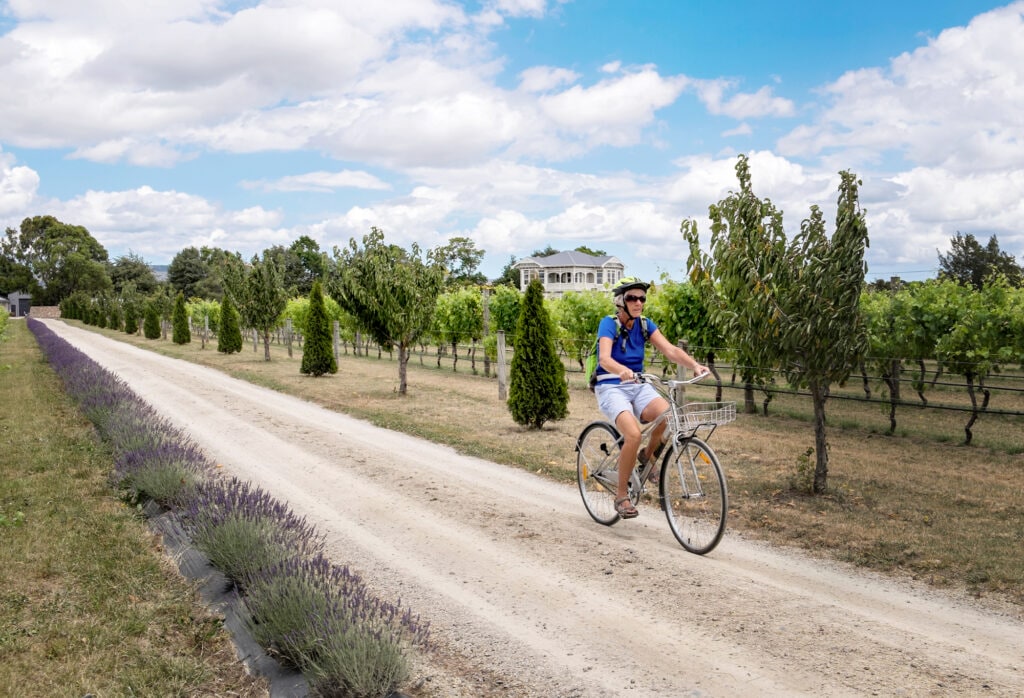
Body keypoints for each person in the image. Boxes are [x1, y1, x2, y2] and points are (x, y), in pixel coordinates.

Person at [593, 277, 708, 519]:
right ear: (620, 301)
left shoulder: (645, 325)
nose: (638, 302)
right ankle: (622, 496)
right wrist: (619, 370)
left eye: (642, 298)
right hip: (611, 386)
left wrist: (695, 365)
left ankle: (647, 456)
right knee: (633, 434)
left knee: (667, 415)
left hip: (637, 384)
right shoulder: (608, 324)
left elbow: (671, 350)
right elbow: (604, 359)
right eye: (632, 298)